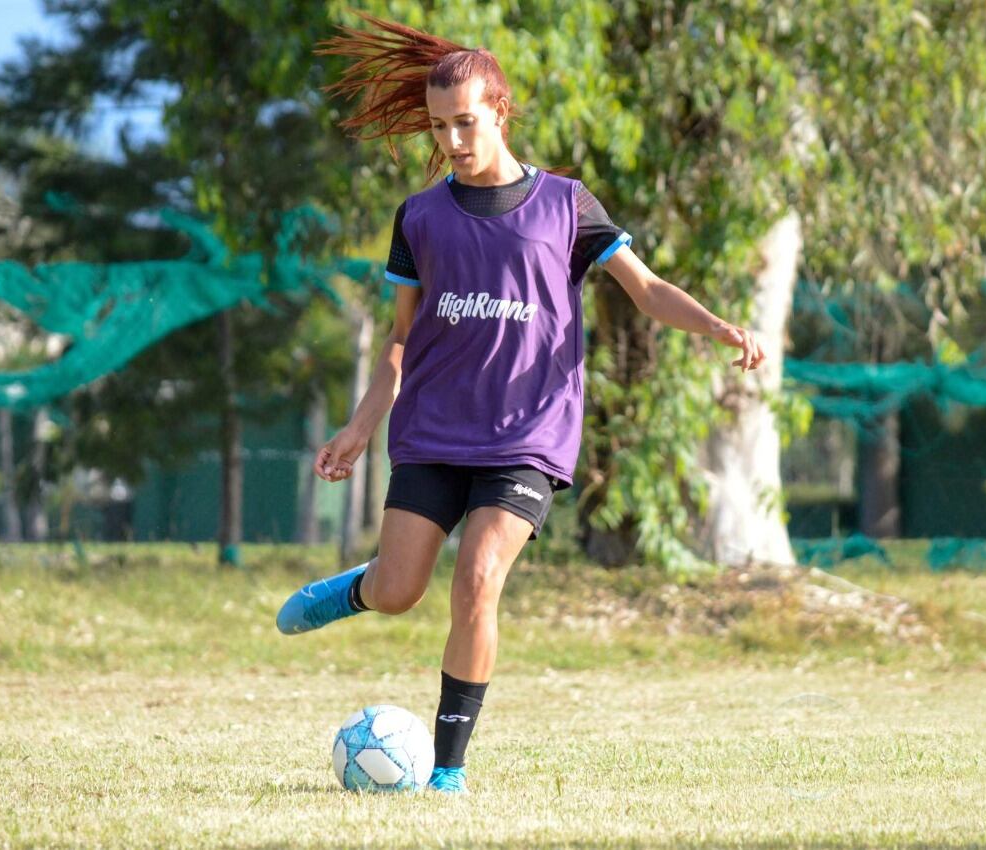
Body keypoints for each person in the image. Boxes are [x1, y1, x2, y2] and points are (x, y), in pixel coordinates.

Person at [276, 12, 763, 795]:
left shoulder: (567, 205)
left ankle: (446, 773)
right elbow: (400, 342)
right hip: (433, 431)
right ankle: (360, 588)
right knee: (402, 591)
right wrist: (360, 427)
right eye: (439, 127)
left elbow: (645, 291)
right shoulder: (420, 217)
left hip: (529, 437)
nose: (452, 140)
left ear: (499, 109)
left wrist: (713, 324)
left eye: (465, 121)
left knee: (477, 579)